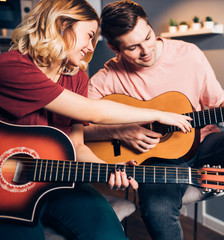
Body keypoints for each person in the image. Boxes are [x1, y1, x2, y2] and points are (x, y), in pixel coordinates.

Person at [0, 0, 192, 239]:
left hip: (60, 182)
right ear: (60, 25)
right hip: (7, 191)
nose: (90, 47)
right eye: (89, 36)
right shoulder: (12, 67)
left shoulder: (77, 77)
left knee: (109, 234)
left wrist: (109, 169)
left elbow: (77, 145)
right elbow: (94, 111)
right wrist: (158, 113)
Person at [85, 1, 224, 239]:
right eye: (133, 47)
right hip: (159, 159)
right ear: (114, 48)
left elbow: (219, 100)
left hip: (205, 144)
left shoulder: (188, 53)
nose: (146, 50)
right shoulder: (106, 78)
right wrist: (121, 131)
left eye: (149, 37)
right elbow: (78, 129)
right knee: (156, 209)